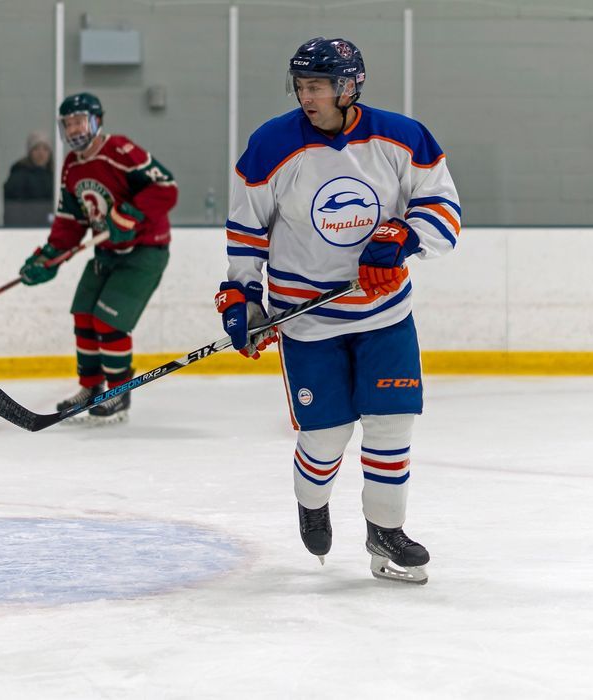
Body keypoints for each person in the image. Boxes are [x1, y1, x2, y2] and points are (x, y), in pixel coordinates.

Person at [216, 38, 460, 584]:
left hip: (384, 314)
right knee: (326, 437)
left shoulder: (402, 137)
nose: (307, 97)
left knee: (392, 425)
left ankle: (386, 533)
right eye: (301, 86)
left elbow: (443, 206)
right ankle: (312, 502)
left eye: (318, 87)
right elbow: (247, 231)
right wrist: (242, 295)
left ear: (349, 87)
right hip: (308, 321)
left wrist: (404, 235)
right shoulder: (270, 145)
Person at [19, 92, 177, 424]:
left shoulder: (119, 150)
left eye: (80, 121)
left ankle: (117, 392)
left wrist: (128, 216)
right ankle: (91, 388)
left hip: (144, 251)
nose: (75, 129)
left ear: (97, 121)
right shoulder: (72, 166)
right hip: (107, 252)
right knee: (83, 315)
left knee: (109, 321)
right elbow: (71, 221)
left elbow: (166, 188)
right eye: (68, 123)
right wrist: (50, 255)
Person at [3, 130, 54, 226]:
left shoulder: (55, 176)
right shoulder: (18, 175)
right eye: (36, 149)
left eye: (45, 149)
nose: (41, 153)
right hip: (26, 228)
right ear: (30, 152)